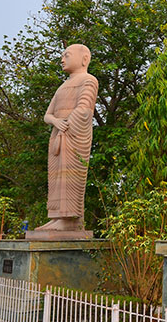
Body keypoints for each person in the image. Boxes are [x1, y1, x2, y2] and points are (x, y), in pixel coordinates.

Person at [36, 44, 98, 232]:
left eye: (67, 55)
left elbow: (84, 110)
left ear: (84, 59)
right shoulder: (62, 87)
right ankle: (57, 217)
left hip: (74, 135)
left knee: (70, 178)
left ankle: (71, 219)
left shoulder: (89, 80)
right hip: (57, 135)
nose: (62, 59)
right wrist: (56, 122)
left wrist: (67, 125)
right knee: (55, 179)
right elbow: (47, 114)